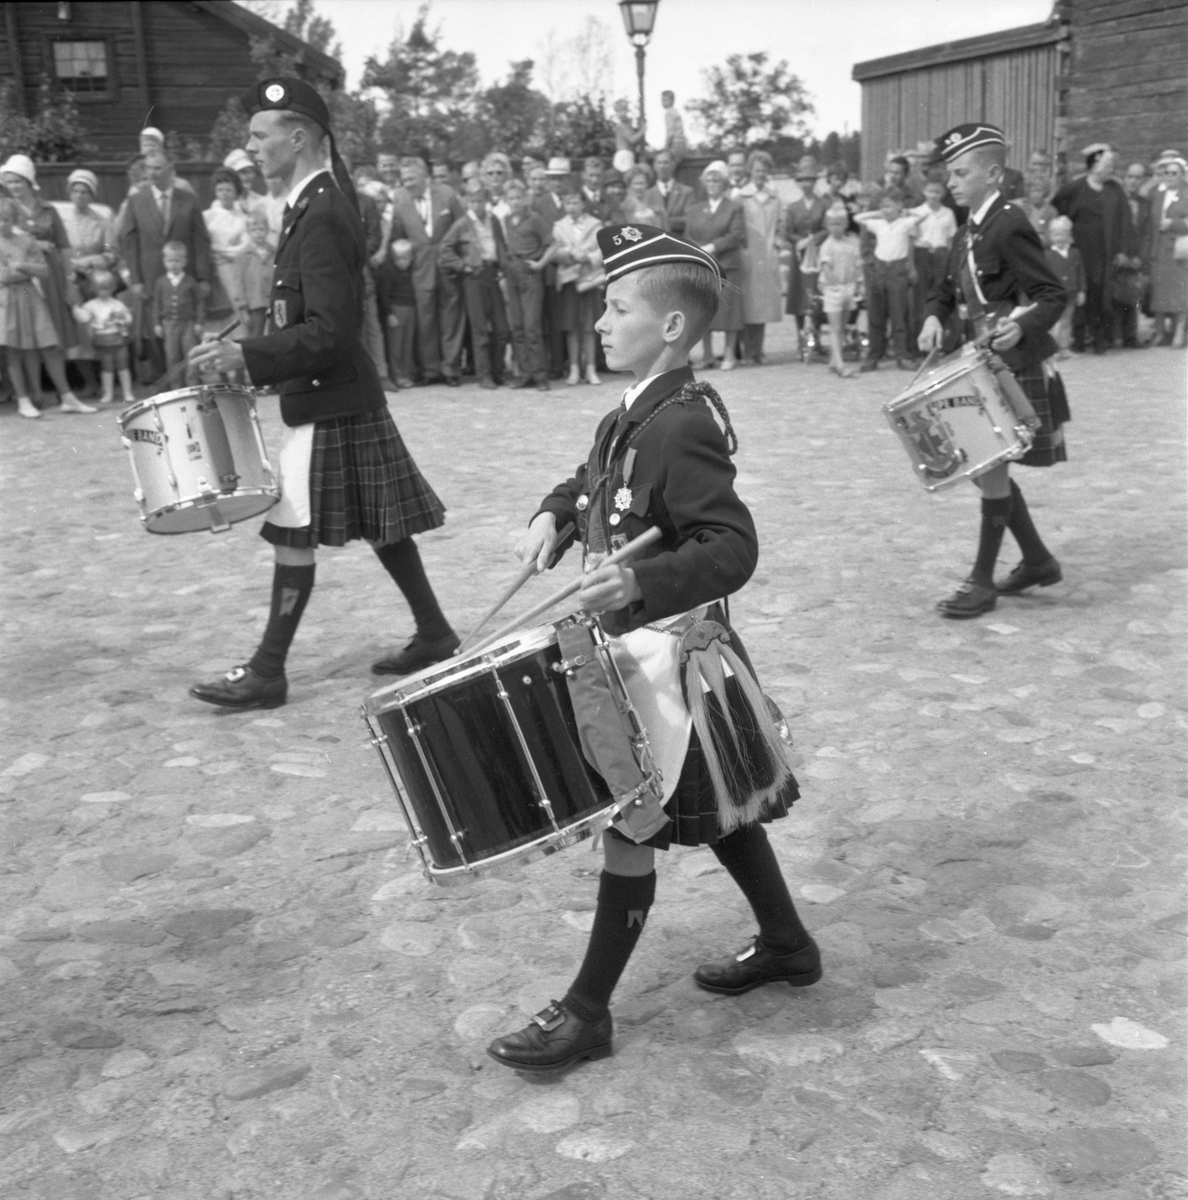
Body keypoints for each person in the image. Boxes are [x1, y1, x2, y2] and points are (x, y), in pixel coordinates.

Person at [486, 222, 818, 1075]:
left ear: (670, 326)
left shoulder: (681, 426)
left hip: (664, 655)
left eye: (617, 305)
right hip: (637, 657)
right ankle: (786, 942)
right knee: (708, 808)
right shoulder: (629, 415)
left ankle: (587, 1012)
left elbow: (731, 545)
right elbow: (591, 479)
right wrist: (551, 517)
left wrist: (639, 583)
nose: (599, 320)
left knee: (628, 822)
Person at [188, 77, 457, 709]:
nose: (249, 146)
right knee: (383, 525)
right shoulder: (311, 205)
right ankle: (436, 632)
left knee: (291, 531)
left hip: (328, 397)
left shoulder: (325, 210)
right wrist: (244, 350)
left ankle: (268, 671)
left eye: (259, 134)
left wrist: (248, 354)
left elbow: (330, 330)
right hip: (336, 394)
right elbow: (304, 318)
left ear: (300, 135)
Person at [918, 122, 1070, 619]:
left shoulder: (1009, 223)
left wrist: (1021, 329)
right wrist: (934, 316)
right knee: (987, 470)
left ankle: (981, 580)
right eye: (950, 173)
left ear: (994, 173)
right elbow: (946, 288)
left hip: (1008, 360)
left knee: (988, 466)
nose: (952, 182)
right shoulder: (968, 230)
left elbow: (1052, 294)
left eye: (961, 173)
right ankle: (1038, 560)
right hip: (978, 359)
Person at [119, 150, 212, 377]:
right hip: (150, 277)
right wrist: (136, 279)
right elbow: (129, 242)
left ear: (171, 169)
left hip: (184, 278)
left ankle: (191, 383)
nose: (152, 173)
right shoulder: (136, 200)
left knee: (187, 335)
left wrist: (202, 277)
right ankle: (167, 383)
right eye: (149, 168)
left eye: (158, 168)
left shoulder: (188, 200)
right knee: (156, 332)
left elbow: (201, 241)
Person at [0, 196, 95, 417]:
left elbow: (44, 270)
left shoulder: (26, 241)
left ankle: (67, 396)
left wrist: (21, 265)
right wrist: (22, 271)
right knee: (14, 349)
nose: (1, 224)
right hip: (6, 300)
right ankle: (24, 400)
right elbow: (2, 276)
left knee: (48, 345)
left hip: (30, 296)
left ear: (14, 219)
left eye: (5, 219)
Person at [387, 157, 467, 386]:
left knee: (451, 318)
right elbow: (399, 235)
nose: (407, 184)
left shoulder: (447, 194)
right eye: (404, 180)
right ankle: (431, 370)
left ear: (424, 176)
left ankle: (451, 368)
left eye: (411, 178)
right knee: (425, 321)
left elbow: (463, 226)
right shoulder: (399, 198)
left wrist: (459, 260)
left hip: (448, 267)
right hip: (419, 269)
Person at [1052, 144, 1132, 354]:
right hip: (1079, 252)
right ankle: (1078, 339)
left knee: (1100, 294)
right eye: (1107, 164)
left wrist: (1123, 250)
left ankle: (1099, 339)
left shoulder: (1114, 190)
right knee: (1080, 292)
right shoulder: (1075, 188)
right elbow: (1056, 207)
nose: (1111, 169)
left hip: (1105, 253)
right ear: (1094, 164)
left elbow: (1125, 221)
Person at [440, 183, 509, 389]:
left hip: (492, 274)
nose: (476, 205)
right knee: (480, 330)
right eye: (472, 201)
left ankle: (498, 370)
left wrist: (503, 268)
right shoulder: (462, 223)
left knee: (501, 328)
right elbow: (445, 249)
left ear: (486, 201)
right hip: (474, 276)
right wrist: (463, 266)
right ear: (467, 202)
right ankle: (484, 375)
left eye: (480, 200)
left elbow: (500, 246)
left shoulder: (494, 220)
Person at [684, 161, 746, 370]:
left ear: (725, 183)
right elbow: (688, 236)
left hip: (727, 266)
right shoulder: (694, 209)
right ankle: (708, 354)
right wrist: (696, 251)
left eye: (717, 180)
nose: (712, 184)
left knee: (729, 312)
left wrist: (712, 246)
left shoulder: (734, 207)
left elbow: (736, 236)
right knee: (705, 311)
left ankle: (729, 354)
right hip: (703, 267)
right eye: (708, 180)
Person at [855, 188, 918, 370]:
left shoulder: (905, 223)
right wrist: (869, 264)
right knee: (875, 314)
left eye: (889, 206)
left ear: (899, 206)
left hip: (897, 268)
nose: (885, 209)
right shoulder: (875, 223)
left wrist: (911, 267)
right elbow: (863, 236)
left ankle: (902, 354)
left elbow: (912, 240)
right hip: (875, 267)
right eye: (882, 206)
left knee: (899, 314)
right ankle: (874, 355)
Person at [500, 177, 552, 391]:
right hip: (512, 273)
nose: (515, 201)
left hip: (530, 274)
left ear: (525, 198)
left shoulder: (535, 219)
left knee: (532, 327)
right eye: (511, 198)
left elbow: (553, 245)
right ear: (506, 200)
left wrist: (540, 264)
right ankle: (524, 374)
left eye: (518, 197)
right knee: (518, 327)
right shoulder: (505, 219)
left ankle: (541, 377)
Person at [548, 188, 603, 386]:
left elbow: (602, 250)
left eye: (576, 203)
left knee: (589, 326)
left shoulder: (595, 225)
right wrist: (571, 254)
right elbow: (555, 251)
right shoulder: (559, 226)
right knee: (571, 326)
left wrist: (587, 257)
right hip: (570, 280)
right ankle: (573, 368)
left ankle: (590, 368)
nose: (572, 207)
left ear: (583, 204)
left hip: (589, 280)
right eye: (568, 203)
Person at [736, 150, 785, 365]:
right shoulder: (740, 195)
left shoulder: (774, 196)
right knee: (747, 303)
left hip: (767, 254)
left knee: (763, 303)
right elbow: (736, 224)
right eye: (757, 169)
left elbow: (783, 223)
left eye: (764, 170)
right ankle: (747, 350)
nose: (760, 174)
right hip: (748, 253)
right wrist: (741, 247)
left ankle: (759, 349)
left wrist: (777, 244)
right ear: (750, 170)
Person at [72, 268, 134, 404]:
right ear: (94, 288)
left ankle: (128, 393)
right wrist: (75, 308)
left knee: (123, 365)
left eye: (107, 288)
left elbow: (128, 318)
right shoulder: (91, 305)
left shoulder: (118, 303)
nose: (104, 291)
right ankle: (108, 394)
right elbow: (84, 317)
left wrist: (124, 318)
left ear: (113, 287)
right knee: (107, 367)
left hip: (119, 339)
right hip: (102, 340)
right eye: (100, 288)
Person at [1146, 150, 1188, 348]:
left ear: (1182, 174)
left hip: (1179, 250)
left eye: (1174, 173)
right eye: (1167, 173)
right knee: (1159, 292)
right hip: (1159, 249)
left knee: (1180, 292)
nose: (1170, 176)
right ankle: (1160, 331)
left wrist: (1172, 223)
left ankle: (1179, 332)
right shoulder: (1158, 194)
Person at [909, 179, 958, 346]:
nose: (933, 195)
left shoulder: (948, 213)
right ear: (924, 192)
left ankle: (941, 344)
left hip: (941, 255)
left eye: (937, 192)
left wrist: (952, 264)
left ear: (943, 194)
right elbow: (910, 240)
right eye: (930, 191)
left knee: (941, 297)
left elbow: (952, 240)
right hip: (922, 255)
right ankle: (919, 345)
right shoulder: (916, 212)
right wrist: (912, 266)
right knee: (921, 299)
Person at [817, 206, 863, 378]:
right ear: (827, 225)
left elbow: (858, 265)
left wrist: (858, 283)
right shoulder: (827, 246)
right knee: (835, 327)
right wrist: (835, 284)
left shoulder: (852, 243)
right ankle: (840, 364)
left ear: (845, 224)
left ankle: (833, 360)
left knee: (842, 326)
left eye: (839, 224)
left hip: (849, 287)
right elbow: (826, 268)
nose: (835, 227)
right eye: (831, 224)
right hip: (833, 289)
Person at [151, 241, 205, 386]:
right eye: (170, 260)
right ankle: (176, 386)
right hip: (169, 325)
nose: (173, 264)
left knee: (191, 354)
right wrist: (156, 324)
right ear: (164, 261)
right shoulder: (161, 282)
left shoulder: (190, 281)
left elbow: (199, 302)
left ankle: (192, 384)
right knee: (172, 356)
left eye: (177, 260)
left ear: (184, 262)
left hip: (188, 324)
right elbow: (156, 304)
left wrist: (199, 322)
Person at [203, 167, 250, 331]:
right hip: (213, 269)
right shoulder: (207, 216)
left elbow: (244, 247)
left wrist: (220, 251)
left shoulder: (243, 218)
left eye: (229, 189)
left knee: (237, 307)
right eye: (220, 189)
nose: (224, 193)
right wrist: (221, 251)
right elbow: (205, 244)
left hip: (235, 269)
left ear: (236, 191)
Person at [1115, 162, 1150, 348]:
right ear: (1124, 178)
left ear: (1143, 181)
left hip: (1135, 257)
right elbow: (1111, 230)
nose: (1133, 181)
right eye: (1130, 177)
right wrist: (1119, 253)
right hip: (1118, 255)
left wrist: (1139, 258)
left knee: (1133, 294)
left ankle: (1130, 336)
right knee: (1115, 294)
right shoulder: (1115, 200)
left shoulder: (1145, 204)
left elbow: (1146, 234)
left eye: (1138, 178)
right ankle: (1114, 336)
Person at [375, 238, 417, 388]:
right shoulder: (388, 272)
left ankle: (406, 374)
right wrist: (389, 314)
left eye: (406, 258)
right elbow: (384, 295)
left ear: (411, 258)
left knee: (407, 345)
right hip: (396, 310)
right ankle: (397, 375)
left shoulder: (411, 272)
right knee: (395, 346)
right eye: (398, 259)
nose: (402, 262)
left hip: (410, 309)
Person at [1044, 216, 1085, 356]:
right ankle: (1053, 348)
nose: (1059, 238)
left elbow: (1081, 273)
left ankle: (1064, 347)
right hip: (1055, 294)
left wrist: (1082, 291)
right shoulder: (1048, 255)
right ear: (1050, 236)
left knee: (1067, 321)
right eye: (1055, 235)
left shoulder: (1075, 253)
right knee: (1054, 322)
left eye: (1062, 234)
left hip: (1071, 293)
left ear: (1068, 235)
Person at [241, 211, 274, 339]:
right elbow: (239, 285)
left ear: (267, 230)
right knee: (256, 335)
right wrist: (243, 310)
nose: (258, 233)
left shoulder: (274, 252)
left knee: (274, 333)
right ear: (248, 232)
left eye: (261, 229)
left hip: (272, 301)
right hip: (255, 303)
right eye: (254, 230)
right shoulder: (243, 255)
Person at [644, 150, 694, 236]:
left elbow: (689, 220)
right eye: (659, 163)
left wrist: (662, 220)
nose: (662, 166)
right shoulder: (647, 194)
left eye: (666, 162)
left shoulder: (686, 192)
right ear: (654, 166)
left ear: (673, 165)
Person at [1018, 174, 1058, 245]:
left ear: (1045, 192)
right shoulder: (1022, 209)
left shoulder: (1051, 211)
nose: (1035, 195)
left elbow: (1052, 236)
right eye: (1032, 191)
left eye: (1039, 191)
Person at [612, 98, 646, 174]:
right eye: (618, 111)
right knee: (628, 175)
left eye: (624, 110)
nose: (621, 113)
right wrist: (642, 131)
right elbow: (632, 139)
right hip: (624, 154)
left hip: (627, 153)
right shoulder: (622, 126)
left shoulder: (627, 125)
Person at [660, 90, 688, 164]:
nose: (663, 102)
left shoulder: (669, 113)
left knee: (666, 163)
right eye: (662, 100)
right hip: (682, 143)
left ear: (672, 101)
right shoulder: (675, 111)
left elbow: (670, 133)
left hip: (675, 144)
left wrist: (665, 147)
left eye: (665, 100)